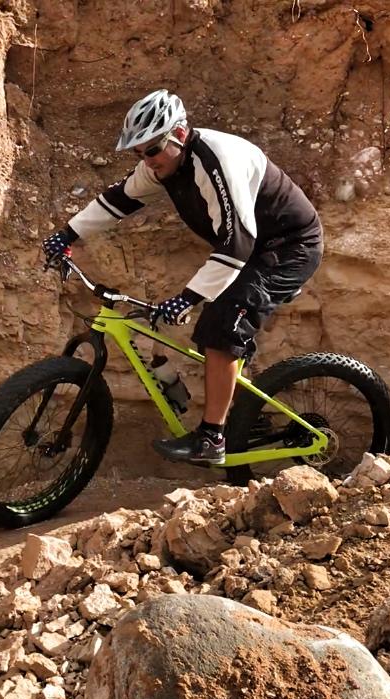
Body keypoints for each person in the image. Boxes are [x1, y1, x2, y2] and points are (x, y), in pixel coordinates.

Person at [41, 89, 323, 466]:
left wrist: (188, 298)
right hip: (254, 248)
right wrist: (67, 234)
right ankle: (243, 418)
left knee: (221, 326)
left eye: (151, 150)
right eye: (137, 153)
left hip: (288, 248)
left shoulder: (217, 160)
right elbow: (118, 200)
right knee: (223, 326)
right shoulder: (164, 164)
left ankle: (212, 440)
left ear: (177, 134)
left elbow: (237, 242)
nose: (145, 160)